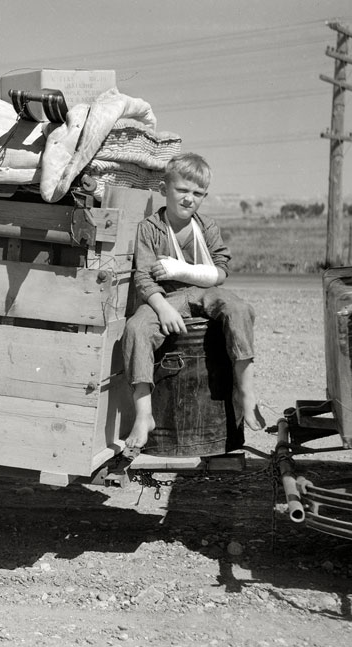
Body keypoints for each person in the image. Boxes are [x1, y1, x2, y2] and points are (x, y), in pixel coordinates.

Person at [121, 153, 265, 458]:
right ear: (164, 189)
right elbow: (145, 279)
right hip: (167, 296)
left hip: (204, 291)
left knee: (240, 310)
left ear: (205, 196)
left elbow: (221, 272)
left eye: (198, 194)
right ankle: (144, 412)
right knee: (135, 328)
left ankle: (246, 391)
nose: (189, 199)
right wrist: (162, 308)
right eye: (182, 190)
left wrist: (183, 270)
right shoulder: (149, 228)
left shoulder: (207, 227)